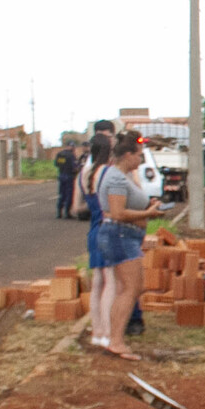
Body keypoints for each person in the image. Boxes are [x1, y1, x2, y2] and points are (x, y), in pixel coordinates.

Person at [92, 132, 160, 359]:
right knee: (130, 289)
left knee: (128, 289)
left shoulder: (122, 177)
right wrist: (148, 213)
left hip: (124, 236)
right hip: (120, 236)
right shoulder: (116, 179)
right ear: (128, 155)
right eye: (139, 156)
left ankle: (115, 339)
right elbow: (118, 212)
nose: (140, 160)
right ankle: (116, 341)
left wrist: (147, 210)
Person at [77, 134, 113, 343]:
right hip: (107, 230)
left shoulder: (84, 174)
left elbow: (77, 207)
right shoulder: (107, 173)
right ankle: (107, 332)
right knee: (111, 283)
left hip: (93, 230)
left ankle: (97, 331)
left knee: (97, 283)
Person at [54, 143, 78, 219]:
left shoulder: (60, 154)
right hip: (69, 176)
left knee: (61, 194)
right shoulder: (71, 155)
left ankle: (59, 212)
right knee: (69, 195)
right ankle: (67, 213)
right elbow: (74, 167)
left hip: (61, 175)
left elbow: (56, 164)